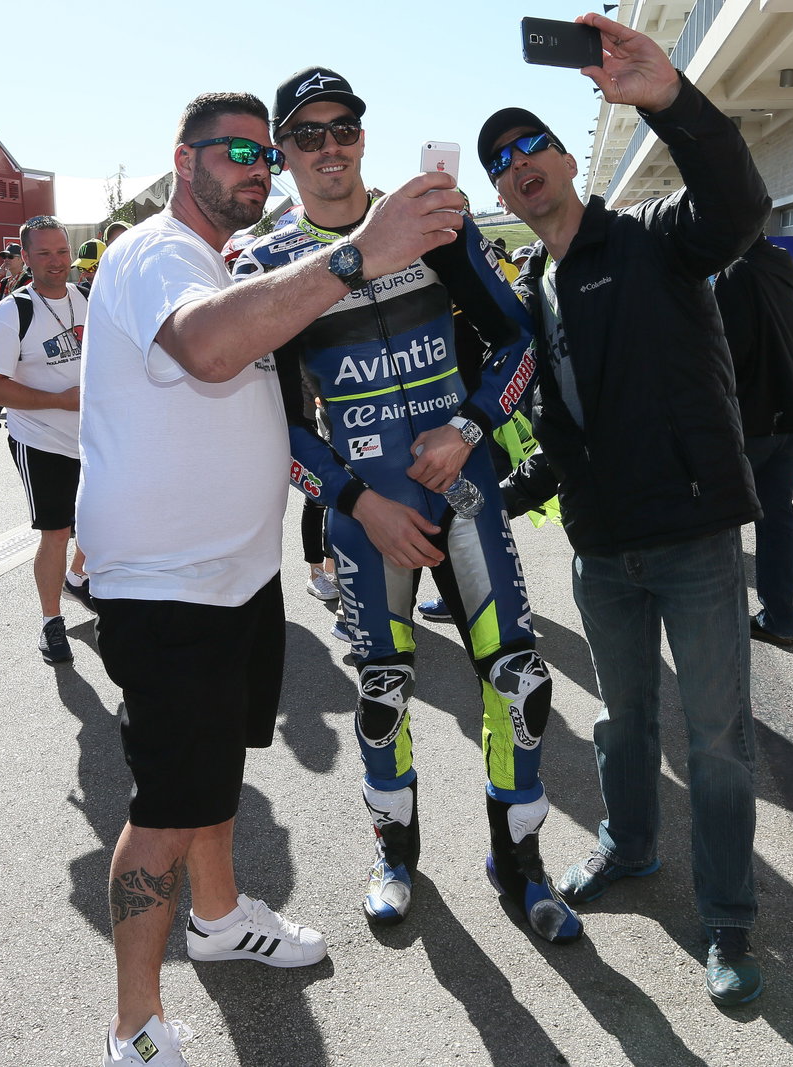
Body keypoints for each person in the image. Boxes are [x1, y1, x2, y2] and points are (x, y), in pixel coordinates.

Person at [77, 90, 464, 1067]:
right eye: (238, 150)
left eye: (264, 153)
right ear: (182, 156)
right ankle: (133, 1026)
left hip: (233, 580)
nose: (256, 167)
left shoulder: (215, 260)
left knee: (213, 775)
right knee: (165, 806)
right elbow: (209, 346)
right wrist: (355, 253)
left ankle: (217, 915)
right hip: (169, 590)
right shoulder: (155, 251)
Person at [233, 66, 579, 944]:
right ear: (282, 153)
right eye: (307, 135)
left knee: (521, 682)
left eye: (342, 127)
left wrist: (467, 426)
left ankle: (520, 861)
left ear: (363, 135)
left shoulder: (430, 220)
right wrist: (354, 499)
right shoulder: (266, 262)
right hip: (364, 516)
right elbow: (272, 427)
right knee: (383, 693)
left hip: (464, 491)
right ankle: (394, 856)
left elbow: (517, 340)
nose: (329, 148)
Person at [487, 12, 770, 1005]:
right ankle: (629, 844)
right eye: (500, 159)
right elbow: (565, 426)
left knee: (719, 741)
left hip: (691, 539)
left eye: (532, 142)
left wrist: (672, 101)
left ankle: (729, 915)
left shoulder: (651, 238)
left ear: (567, 157)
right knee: (621, 723)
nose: (519, 161)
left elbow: (736, 205)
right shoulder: (530, 287)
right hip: (601, 552)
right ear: (497, 193)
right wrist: (506, 490)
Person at [0, 215, 87, 664]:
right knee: (56, 532)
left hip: (93, 438)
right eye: (44, 253)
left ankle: (77, 581)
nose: (56, 261)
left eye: (61, 251)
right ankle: (50, 621)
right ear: (26, 257)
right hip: (41, 440)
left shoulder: (89, 299)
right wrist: (59, 400)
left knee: (101, 522)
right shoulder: (10, 314)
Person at [714, 236, 793, 646]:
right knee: (776, 519)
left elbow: (723, 352)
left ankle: (722, 625)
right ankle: (780, 617)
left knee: (720, 524)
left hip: (754, 419)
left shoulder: (734, 273)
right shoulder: (779, 263)